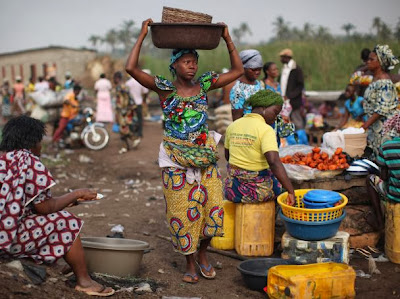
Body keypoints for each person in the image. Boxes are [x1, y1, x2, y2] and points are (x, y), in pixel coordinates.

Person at [125, 18, 243, 284]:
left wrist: (227, 37)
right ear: (174, 64)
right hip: (175, 159)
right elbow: (130, 67)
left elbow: (237, 71)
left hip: (204, 156)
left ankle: (203, 253)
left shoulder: (204, 85)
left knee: (213, 209)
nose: (193, 66)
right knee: (181, 211)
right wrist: (143, 34)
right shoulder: (164, 88)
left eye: (195, 61)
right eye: (187, 61)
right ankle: (189, 261)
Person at [0, 115, 114, 296]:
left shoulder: (5, 161)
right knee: (66, 222)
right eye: (40, 141)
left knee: (49, 220)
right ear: (33, 142)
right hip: (8, 240)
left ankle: (53, 263)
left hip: (4, 233)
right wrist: (76, 193)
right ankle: (84, 281)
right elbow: (44, 208)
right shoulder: (30, 163)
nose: (41, 146)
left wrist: (70, 201)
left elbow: (23, 206)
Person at [224, 89, 295, 205]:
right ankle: (272, 221)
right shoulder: (266, 130)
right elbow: (273, 162)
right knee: (280, 188)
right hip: (256, 191)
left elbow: (227, 157)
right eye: (275, 112)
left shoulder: (233, 126)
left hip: (232, 189)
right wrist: (290, 191)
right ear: (263, 108)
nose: (276, 118)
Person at [361, 44, 399, 159]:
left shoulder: (385, 83)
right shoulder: (375, 80)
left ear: (380, 63)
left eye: (371, 59)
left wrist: (365, 125)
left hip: (384, 129)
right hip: (376, 128)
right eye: (368, 59)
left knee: (385, 160)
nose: (368, 62)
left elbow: (382, 109)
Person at [366, 112, 400, 230]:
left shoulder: (387, 146)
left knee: (370, 179)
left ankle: (379, 220)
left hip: (395, 195)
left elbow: (384, 176)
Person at [229, 49, 264, 121]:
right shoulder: (238, 90)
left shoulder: (258, 84)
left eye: (259, 69)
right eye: (253, 69)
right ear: (243, 68)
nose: (257, 72)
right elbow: (237, 120)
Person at [112, 71, 139, 153]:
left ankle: (134, 138)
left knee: (122, 128)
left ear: (117, 78)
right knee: (122, 128)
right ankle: (125, 146)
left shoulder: (121, 87)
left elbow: (126, 99)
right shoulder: (123, 86)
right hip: (123, 110)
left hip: (123, 111)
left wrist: (125, 109)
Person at [279, 48, 305, 129]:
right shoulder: (285, 68)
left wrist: (290, 96)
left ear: (287, 57)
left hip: (293, 100)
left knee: (296, 119)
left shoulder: (296, 69)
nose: (281, 59)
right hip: (283, 99)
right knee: (285, 120)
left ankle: (300, 137)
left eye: (282, 57)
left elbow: (300, 86)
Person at [126, 69, 151, 140]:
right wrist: (144, 100)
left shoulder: (128, 83)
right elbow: (145, 92)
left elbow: (126, 93)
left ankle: (132, 132)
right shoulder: (140, 82)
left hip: (130, 104)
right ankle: (139, 133)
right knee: (139, 118)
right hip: (139, 102)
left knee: (130, 118)